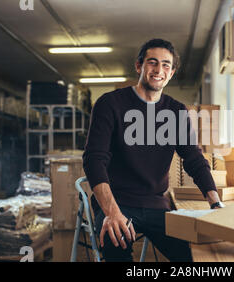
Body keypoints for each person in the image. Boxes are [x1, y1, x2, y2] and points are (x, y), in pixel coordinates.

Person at [83, 38, 224, 262]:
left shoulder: (177, 111)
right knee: (114, 241)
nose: (159, 70)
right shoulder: (110, 104)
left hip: (157, 205)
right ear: (139, 66)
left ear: (172, 72)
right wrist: (111, 212)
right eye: (152, 62)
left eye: (166, 65)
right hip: (118, 202)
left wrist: (216, 203)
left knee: (195, 255)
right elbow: (94, 159)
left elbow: (194, 159)